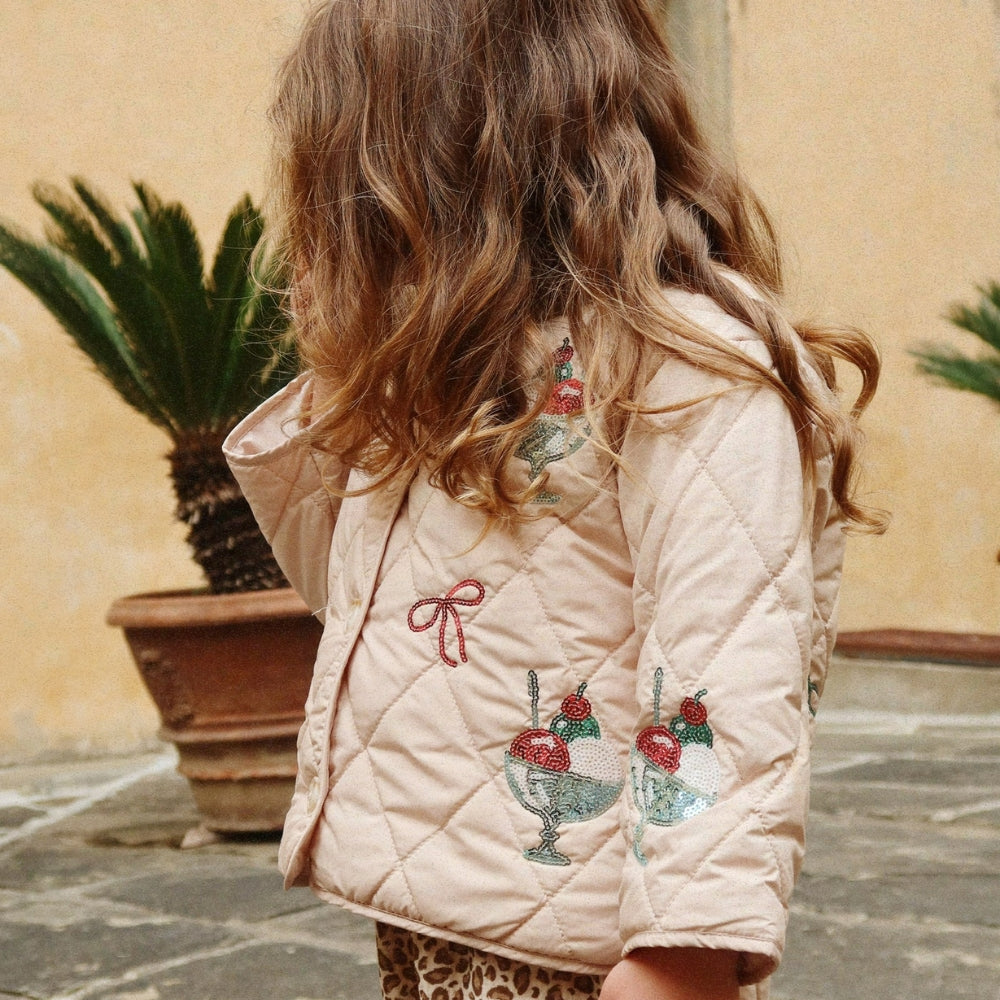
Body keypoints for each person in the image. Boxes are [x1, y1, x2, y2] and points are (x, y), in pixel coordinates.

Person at [224, 1, 885, 998]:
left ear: (456, 164)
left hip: (588, 955)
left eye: (357, 178)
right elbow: (365, 614)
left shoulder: (690, 367)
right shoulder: (461, 366)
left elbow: (721, 673)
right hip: (445, 912)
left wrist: (682, 953)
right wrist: (338, 369)